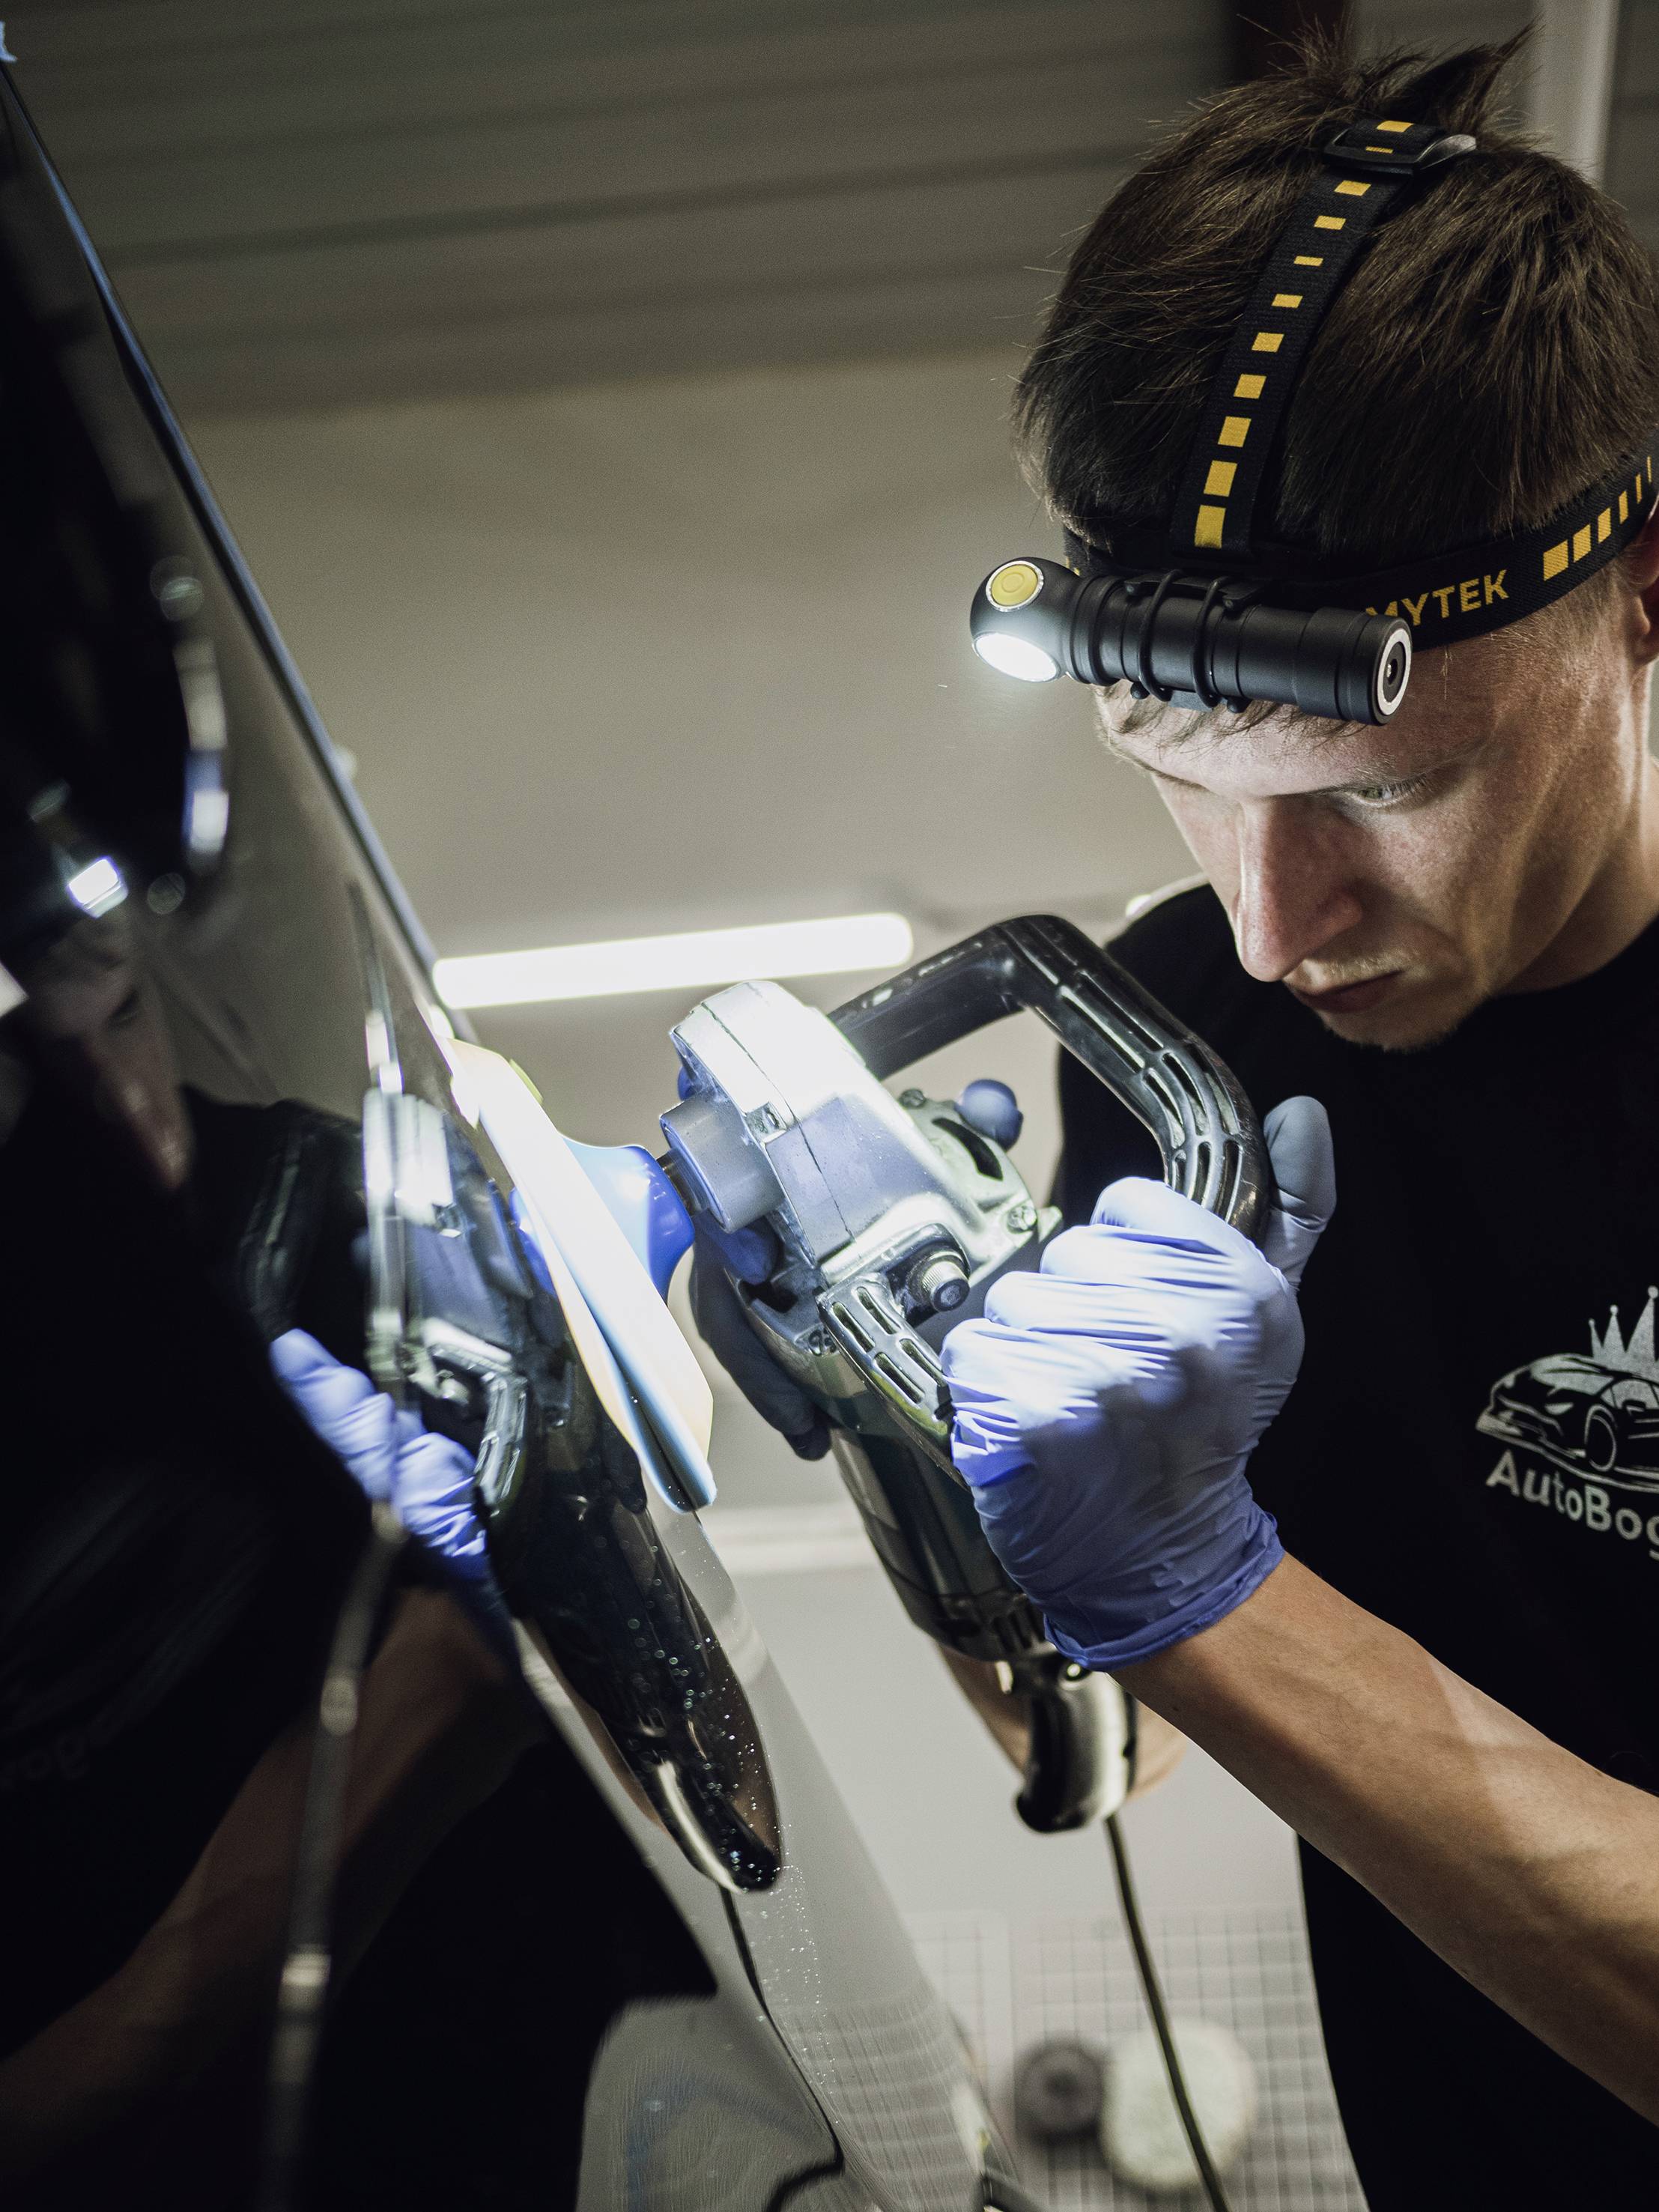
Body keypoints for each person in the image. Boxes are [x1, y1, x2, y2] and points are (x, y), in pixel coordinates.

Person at [694, 31, 1659, 2210]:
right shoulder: (1176, 1034)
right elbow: (1090, 1745)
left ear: (1647, 589)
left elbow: (1211, 1638)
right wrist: (921, 1444)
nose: (1273, 921)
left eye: (1386, 791)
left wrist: (1208, 1590)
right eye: (1174, 774)